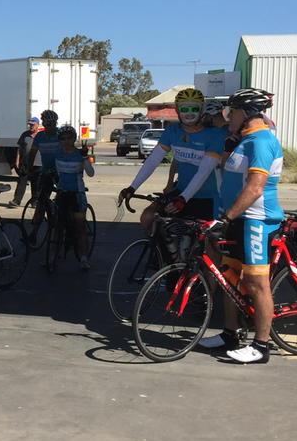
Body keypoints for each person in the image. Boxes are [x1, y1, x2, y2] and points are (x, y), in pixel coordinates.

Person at [199, 88, 283, 364]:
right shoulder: (244, 140)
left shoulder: (261, 142)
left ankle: (261, 345)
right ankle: (230, 334)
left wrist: (226, 218)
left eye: (232, 112)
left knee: (256, 282)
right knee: (230, 277)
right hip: (238, 218)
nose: (228, 117)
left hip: (256, 219)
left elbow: (255, 188)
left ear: (246, 113)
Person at [117, 88, 227, 233]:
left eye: (194, 108)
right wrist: (132, 187)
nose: (189, 113)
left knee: (198, 239)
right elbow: (152, 161)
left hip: (208, 198)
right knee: (148, 218)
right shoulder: (172, 131)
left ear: (201, 110)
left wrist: (183, 199)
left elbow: (204, 172)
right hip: (180, 192)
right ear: (177, 110)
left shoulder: (215, 135)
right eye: (184, 109)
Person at [54, 125, 96, 271]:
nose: (66, 141)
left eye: (69, 138)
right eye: (63, 139)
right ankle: (54, 254)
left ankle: (83, 258)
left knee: (80, 226)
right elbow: (55, 172)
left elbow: (91, 173)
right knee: (57, 225)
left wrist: (85, 158)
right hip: (62, 192)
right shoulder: (57, 154)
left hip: (77, 193)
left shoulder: (80, 154)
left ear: (74, 139)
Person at [26, 109, 63, 234]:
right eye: (47, 124)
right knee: (42, 200)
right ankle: (34, 232)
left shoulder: (60, 135)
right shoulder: (40, 136)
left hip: (61, 171)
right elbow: (32, 153)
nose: (50, 127)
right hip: (47, 170)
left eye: (53, 124)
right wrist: (29, 168)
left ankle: (63, 221)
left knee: (64, 198)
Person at [12, 116, 41, 207]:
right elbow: (20, 148)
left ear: (37, 125)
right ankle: (16, 200)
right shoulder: (25, 134)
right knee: (22, 181)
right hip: (26, 163)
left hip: (37, 163)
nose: (31, 126)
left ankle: (35, 202)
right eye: (30, 125)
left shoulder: (41, 136)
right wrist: (17, 160)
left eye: (33, 125)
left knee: (36, 183)